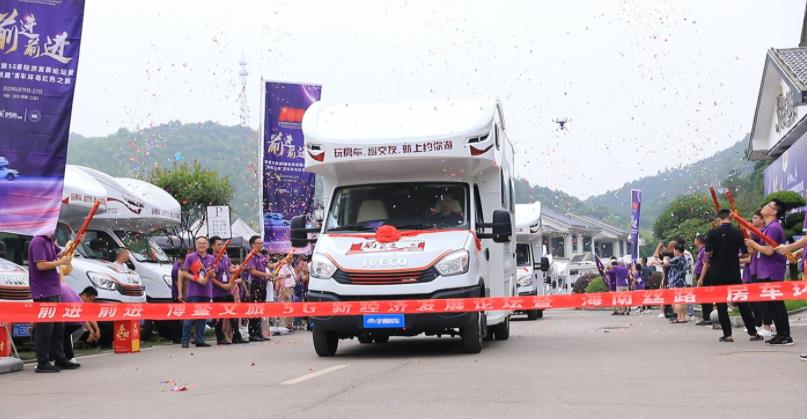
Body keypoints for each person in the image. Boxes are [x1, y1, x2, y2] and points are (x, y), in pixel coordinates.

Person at [705, 209, 761, 342]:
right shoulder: (737, 232)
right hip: (734, 273)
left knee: (721, 305)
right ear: (730, 218)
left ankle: (727, 334)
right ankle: (753, 332)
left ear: (719, 219)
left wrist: (712, 258)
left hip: (717, 273)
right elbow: (745, 254)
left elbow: (707, 253)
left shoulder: (712, 233)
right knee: (742, 303)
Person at [28, 234, 81, 373]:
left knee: (59, 327)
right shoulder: (38, 241)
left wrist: (71, 246)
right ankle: (43, 362)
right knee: (45, 328)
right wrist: (60, 262)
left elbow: (60, 254)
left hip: (54, 289)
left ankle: (60, 359)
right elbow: (41, 265)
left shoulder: (49, 240)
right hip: (43, 291)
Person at [746, 200, 793, 346]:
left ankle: (785, 334)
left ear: (773, 212)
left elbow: (769, 250)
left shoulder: (773, 227)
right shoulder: (767, 228)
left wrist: (754, 244)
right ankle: (780, 333)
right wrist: (752, 244)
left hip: (772, 270)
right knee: (771, 304)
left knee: (776, 303)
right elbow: (759, 249)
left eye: (768, 206)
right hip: (764, 270)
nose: (764, 206)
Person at [178, 236, 215, 348]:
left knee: (202, 317)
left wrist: (209, 274)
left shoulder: (211, 258)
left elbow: (214, 274)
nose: (201, 245)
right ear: (196, 245)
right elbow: (183, 273)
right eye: (199, 243)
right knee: (190, 317)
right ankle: (185, 340)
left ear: (207, 245)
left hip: (206, 292)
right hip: (194, 292)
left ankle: (200, 340)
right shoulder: (190, 257)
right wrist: (196, 278)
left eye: (203, 243)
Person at [209, 236, 242, 345]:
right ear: (212, 246)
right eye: (219, 245)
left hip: (228, 291)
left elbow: (230, 269)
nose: (221, 247)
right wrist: (222, 286)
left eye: (222, 244)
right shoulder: (210, 259)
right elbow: (211, 277)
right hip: (217, 292)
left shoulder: (225, 258)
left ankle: (236, 336)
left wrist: (238, 268)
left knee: (232, 314)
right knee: (219, 316)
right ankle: (220, 337)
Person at [246, 236, 279, 342]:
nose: (261, 245)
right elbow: (253, 271)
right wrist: (267, 275)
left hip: (263, 285)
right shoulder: (250, 256)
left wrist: (281, 262)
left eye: (261, 243)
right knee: (255, 309)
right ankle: (252, 333)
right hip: (255, 284)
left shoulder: (261, 255)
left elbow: (270, 265)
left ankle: (259, 333)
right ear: (252, 245)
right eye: (258, 243)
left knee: (261, 309)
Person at [55, 285, 100, 363]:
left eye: (92, 301)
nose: (91, 302)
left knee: (67, 335)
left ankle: (68, 356)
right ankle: (66, 357)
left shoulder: (77, 298)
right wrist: (92, 331)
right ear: (85, 295)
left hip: (70, 322)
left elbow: (88, 316)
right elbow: (83, 318)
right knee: (67, 334)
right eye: (90, 300)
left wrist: (96, 330)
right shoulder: (77, 299)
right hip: (66, 320)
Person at [746, 211, 773, 336]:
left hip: (764, 270)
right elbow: (751, 249)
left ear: (762, 220)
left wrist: (748, 233)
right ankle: (763, 324)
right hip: (756, 269)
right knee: (758, 300)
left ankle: (767, 326)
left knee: (766, 300)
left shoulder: (763, 231)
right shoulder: (756, 232)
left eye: (755, 217)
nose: (753, 219)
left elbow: (756, 242)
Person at [663, 242, 689, 323]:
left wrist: (665, 258)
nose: (673, 252)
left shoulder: (677, 258)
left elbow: (665, 264)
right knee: (683, 301)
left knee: (677, 300)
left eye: (674, 250)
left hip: (675, 282)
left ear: (677, 250)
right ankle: (683, 317)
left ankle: (679, 317)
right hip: (683, 282)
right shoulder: (684, 258)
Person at [693, 235, 712, 326]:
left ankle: (708, 318)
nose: (694, 241)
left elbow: (706, 264)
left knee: (707, 297)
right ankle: (705, 317)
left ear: (698, 241)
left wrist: (701, 278)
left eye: (695, 239)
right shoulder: (701, 251)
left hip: (705, 276)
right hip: (700, 275)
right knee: (703, 298)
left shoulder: (704, 250)